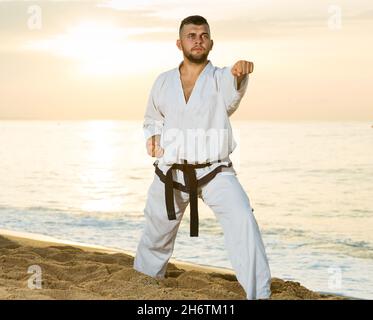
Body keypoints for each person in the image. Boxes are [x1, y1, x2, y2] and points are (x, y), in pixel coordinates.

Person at [133, 15, 272, 300]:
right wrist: (153, 137)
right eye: (191, 35)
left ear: (211, 42)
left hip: (215, 172)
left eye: (203, 35)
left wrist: (240, 73)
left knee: (243, 221)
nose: (198, 39)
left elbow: (232, 98)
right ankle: (144, 288)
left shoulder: (222, 77)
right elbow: (152, 118)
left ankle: (259, 295)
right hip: (170, 173)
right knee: (155, 236)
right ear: (179, 42)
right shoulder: (163, 82)